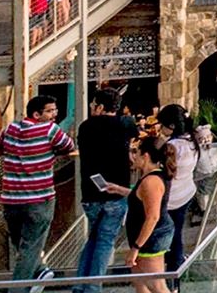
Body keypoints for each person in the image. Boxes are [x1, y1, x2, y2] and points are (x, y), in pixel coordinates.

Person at [0, 94, 76, 281]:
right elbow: (69, 146)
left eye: (55, 110)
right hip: (39, 199)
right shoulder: (50, 130)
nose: (54, 115)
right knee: (30, 247)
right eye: (50, 111)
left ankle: (41, 270)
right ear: (36, 114)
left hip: (11, 199)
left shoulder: (10, 128)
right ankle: (20, 287)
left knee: (23, 245)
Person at [76, 88, 136, 293]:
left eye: (93, 105)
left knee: (94, 238)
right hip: (117, 193)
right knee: (105, 240)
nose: (92, 108)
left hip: (91, 194)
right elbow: (135, 136)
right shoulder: (126, 124)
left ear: (100, 107)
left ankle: (81, 284)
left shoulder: (85, 127)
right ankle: (92, 287)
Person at [123, 136, 175, 293]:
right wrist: (119, 189)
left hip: (151, 239)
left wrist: (136, 248)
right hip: (147, 236)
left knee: (156, 285)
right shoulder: (151, 177)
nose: (133, 156)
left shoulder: (151, 181)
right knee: (140, 281)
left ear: (145, 156)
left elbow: (153, 216)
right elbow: (142, 197)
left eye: (136, 152)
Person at [156, 105, 198, 274]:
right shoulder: (191, 141)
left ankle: (173, 273)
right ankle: (177, 266)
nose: (161, 128)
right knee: (177, 233)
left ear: (172, 126)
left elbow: (162, 169)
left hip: (171, 199)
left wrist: (160, 142)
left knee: (169, 238)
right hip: (186, 193)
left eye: (163, 124)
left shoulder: (172, 146)